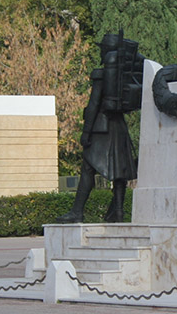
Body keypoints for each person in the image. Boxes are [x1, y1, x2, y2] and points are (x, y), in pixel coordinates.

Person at [56, 33, 143, 224]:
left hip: (101, 127)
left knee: (88, 168)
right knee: (119, 171)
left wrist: (86, 131)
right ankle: (119, 211)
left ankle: (77, 211)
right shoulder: (122, 75)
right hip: (119, 126)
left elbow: (94, 103)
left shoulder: (101, 74)